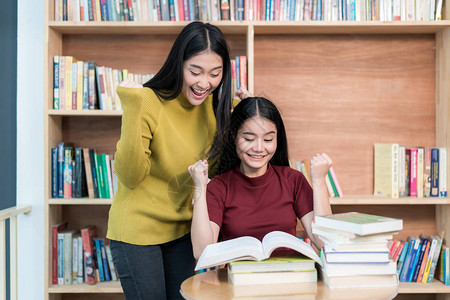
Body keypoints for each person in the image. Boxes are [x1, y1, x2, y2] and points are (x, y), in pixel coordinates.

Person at [106, 21, 250, 300]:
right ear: (178, 64)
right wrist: (132, 107)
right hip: (137, 232)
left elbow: (228, 174)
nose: (204, 83)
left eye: (214, 73)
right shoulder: (148, 101)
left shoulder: (217, 109)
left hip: (185, 233)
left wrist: (247, 115)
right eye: (195, 71)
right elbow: (131, 175)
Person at [189, 96, 333, 260]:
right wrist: (199, 187)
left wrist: (319, 181)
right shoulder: (219, 186)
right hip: (239, 281)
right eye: (249, 139)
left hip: (288, 278)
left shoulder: (293, 180)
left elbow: (323, 243)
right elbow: (201, 252)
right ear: (233, 136)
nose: (259, 148)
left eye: (268, 139)